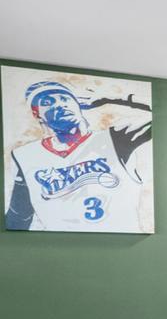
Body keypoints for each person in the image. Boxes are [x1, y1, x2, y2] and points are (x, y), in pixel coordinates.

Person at [4, 79, 153, 231]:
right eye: (47, 102)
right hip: (63, 249)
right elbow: (18, 218)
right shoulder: (26, 155)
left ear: (78, 105)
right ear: (37, 114)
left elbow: (166, 114)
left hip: (123, 244)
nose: (59, 105)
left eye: (65, 98)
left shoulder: (115, 138)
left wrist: (110, 97)